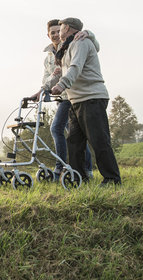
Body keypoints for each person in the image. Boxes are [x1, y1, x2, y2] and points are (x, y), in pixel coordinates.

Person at [50, 17, 121, 185]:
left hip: (91, 98)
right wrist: (43, 89)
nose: (59, 33)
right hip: (76, 101)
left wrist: (62, 85)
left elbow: (76, 67)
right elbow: (62, 71)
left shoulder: (80, 42)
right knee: (74, 142)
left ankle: (112, 178)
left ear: (66, 28)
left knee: (99, 140)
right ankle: (79, 177)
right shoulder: (68, 47)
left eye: (60, 29)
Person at [33, 19, 94, 179]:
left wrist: (89, 33)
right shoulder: (48, 57)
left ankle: (60, 167)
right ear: (48, 35)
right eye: (51, 32)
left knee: (56, 128)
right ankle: (86, 169)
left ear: (62, 32)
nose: (55, 35)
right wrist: (42, 89)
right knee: (74, 134)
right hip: (60, 98)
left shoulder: (70, 45)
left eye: (57, 31)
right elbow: (47, 77)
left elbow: (93, 45)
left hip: (70, 95)